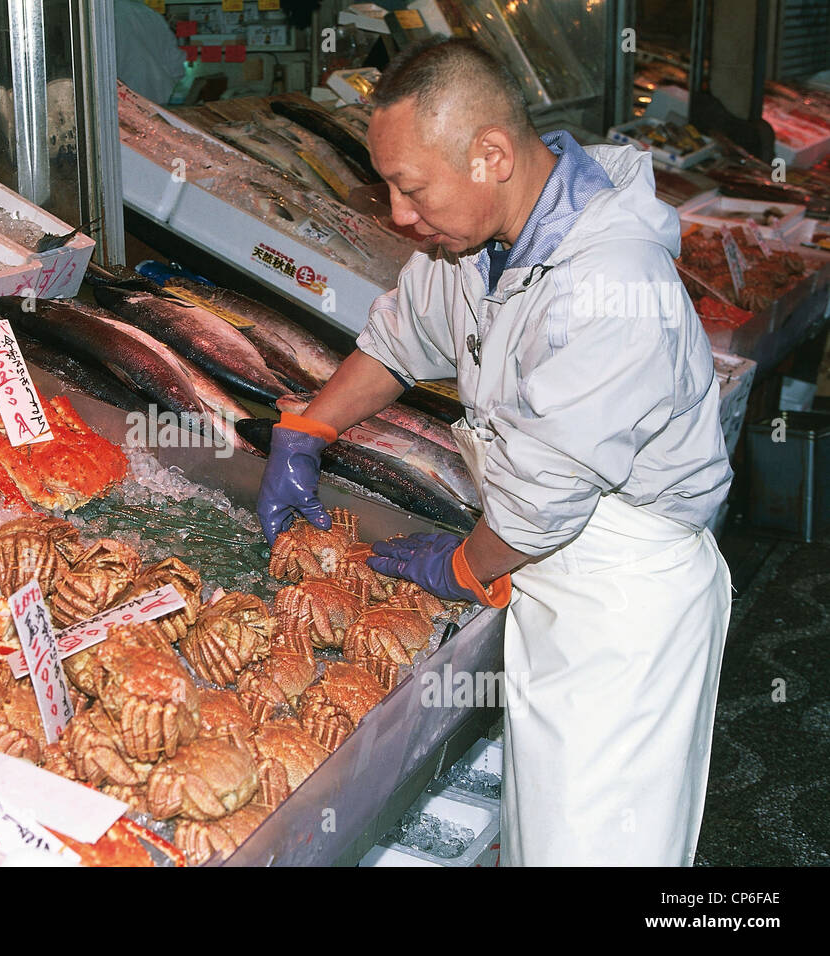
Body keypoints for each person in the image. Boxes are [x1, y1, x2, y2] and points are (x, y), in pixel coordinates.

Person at [255, 38, 733, 866]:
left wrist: (463, 567)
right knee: (543, 830)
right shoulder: (484, 243)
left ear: (490, 155)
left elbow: (540, 503)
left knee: (598, 844)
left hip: (626, 602)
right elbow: (403, 339)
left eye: (411, 189)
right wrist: (309, 427)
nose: (401, 217)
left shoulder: (612, 285)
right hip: (554, 574)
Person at [113, 0, 186, 105]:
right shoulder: (150, 13)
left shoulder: (101, 17)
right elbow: (176, 66)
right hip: (158, 104)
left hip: (123, 107)